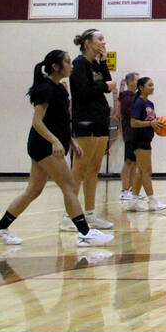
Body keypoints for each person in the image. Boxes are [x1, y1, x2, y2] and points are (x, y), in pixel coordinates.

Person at [0, 49, 113, 247]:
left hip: (50, 144)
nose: (72, 65)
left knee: (33, 191)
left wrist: (71, 140)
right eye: (68, 62)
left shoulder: (60, 88)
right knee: (70, 186)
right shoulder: (45, 88)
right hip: (43, 145)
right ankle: (85, 233)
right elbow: (37, 121)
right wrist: (54, 141)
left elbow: (61, 120)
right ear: (56, 66)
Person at [65, 28, 116, 231]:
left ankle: (89, 213)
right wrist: (105, 87)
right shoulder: (78, 64)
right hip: (85, 120)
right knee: (79, 169)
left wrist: (103, 63)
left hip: (100, 119)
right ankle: (69, 216)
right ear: (87, 42)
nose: (104, 42)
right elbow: (83, 92)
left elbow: (107, 82)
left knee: (94, 168)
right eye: (100, 39)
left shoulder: (95, 64)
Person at [128, 77, 166, 211]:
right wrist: (150, 123)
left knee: (140, 171)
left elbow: (152, 121)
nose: (153, 87)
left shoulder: (150, 103)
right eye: (150, 85)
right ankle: (152, 201)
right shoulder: (139, 103)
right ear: (141, 87)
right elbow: (133, 122)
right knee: (147, 171)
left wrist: (158, 126)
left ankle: (133, 201)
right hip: (139, 139)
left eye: (153, 85)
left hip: (147, 138)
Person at [116, 72, 139, 208]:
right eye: (136, 80)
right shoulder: (127, 98)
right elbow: (130, 116)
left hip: (137, 134)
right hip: (130, 133)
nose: (138, 82)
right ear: (130, 82)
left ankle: (131, 189)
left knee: (135, 163)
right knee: (129, 162)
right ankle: (124, 190)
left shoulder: (135, 97)